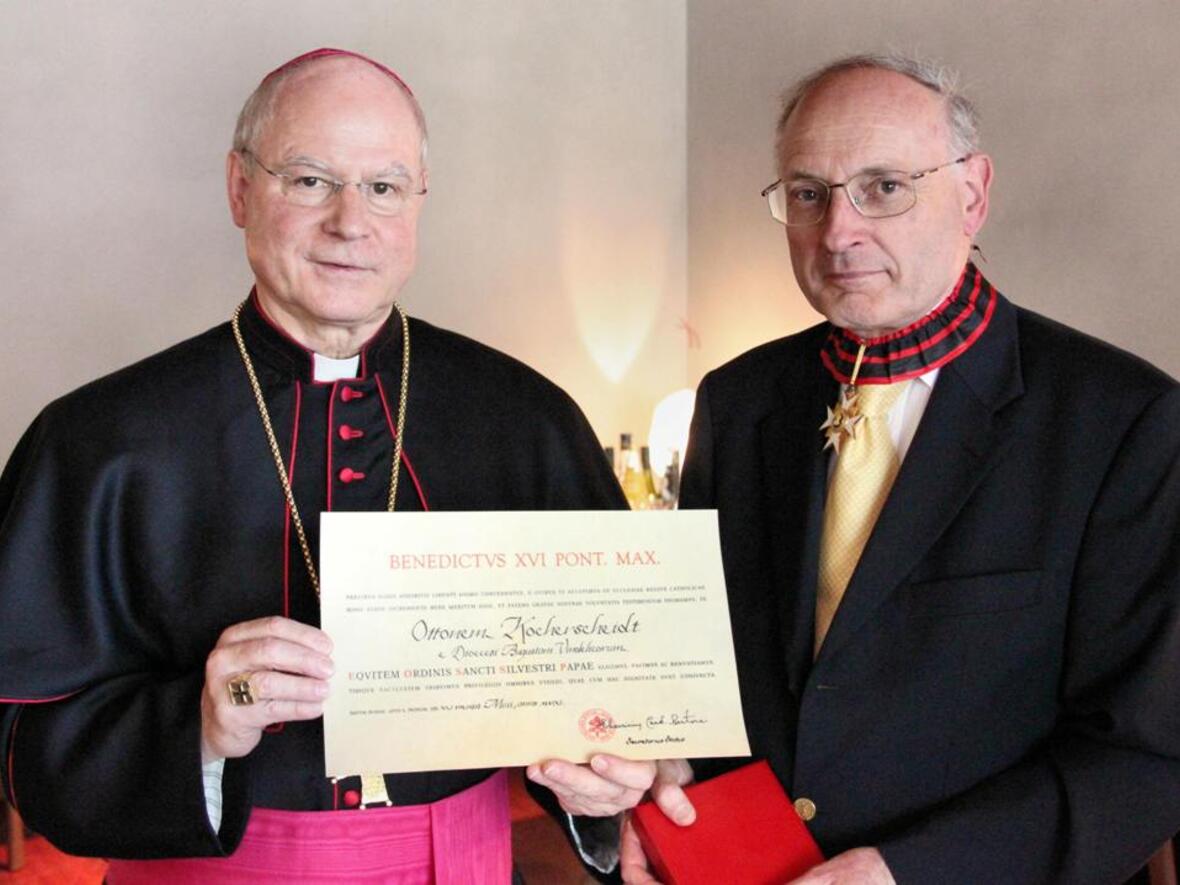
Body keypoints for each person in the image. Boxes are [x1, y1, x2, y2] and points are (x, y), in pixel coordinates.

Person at [531, 53, 1180, 884]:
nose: (839, 231)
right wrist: (648, 793)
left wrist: (904, 872)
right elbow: (697, 693)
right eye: (809, 193)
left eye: (884, 187)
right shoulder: (738, 401)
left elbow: (1146, 755)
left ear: (973, 193)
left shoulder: (1123, 422)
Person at [0, 48, 625, 882]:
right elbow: (22, 745)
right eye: (308, 180)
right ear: (239, 189)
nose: (349, 221)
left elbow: (610, 705)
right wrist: (200, 726)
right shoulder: (99, 439)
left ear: (419, 202)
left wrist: (602, 782)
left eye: (384, 187)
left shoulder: (527, 419)